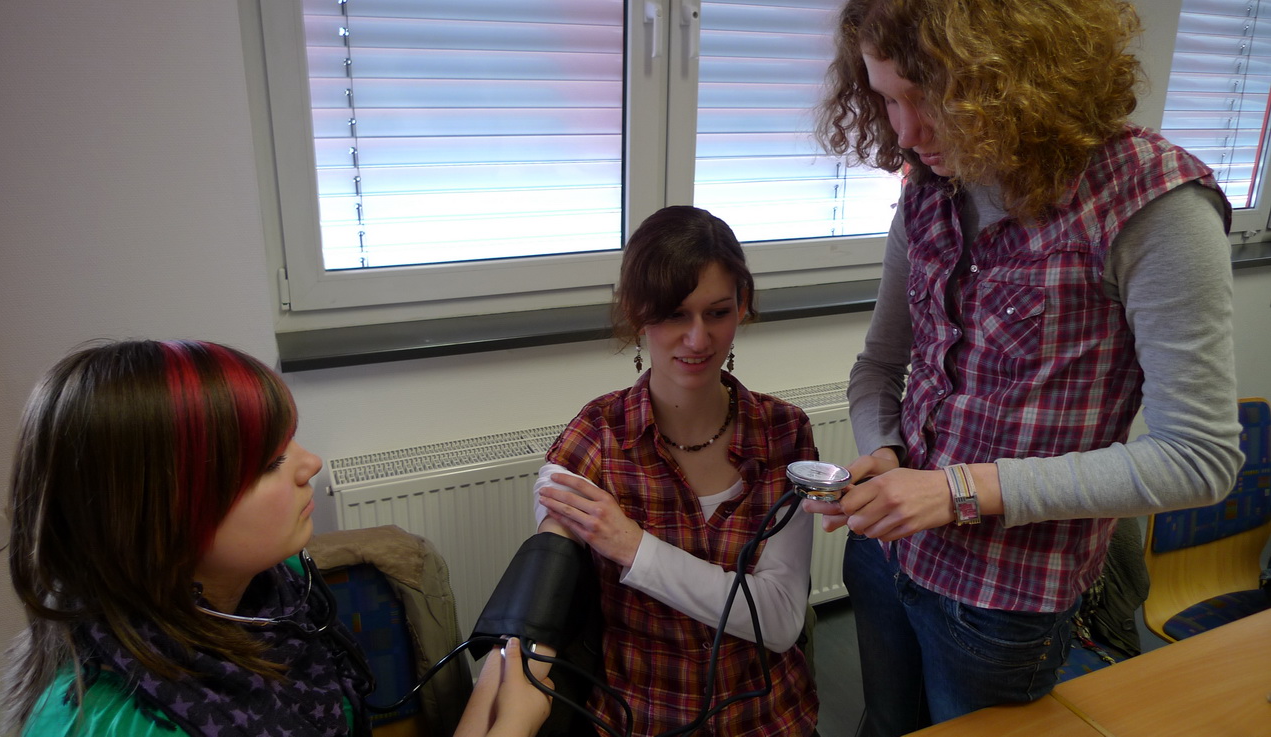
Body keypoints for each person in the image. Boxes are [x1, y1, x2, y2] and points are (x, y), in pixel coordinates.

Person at [805, 1, 1245, 734]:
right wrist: (884, 449)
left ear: (1012, 76)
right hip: (885, 559)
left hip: (1001, 604)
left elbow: (1198, 459)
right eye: (887, 99)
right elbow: (878, 368)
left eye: (929, 98)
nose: (905, 133)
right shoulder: (929, 190)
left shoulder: (1152, 203)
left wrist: (958, 490)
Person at [1, 339, 551, 737]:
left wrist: (491, 697)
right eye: (271, 462)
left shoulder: (277, 584)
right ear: (157, 517)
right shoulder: (110, 722)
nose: (310, 464)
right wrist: (512, 727)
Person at [533, 205, 820, 736]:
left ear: (743, 306)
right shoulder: (600, 433)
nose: (698, 339)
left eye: (717, 312)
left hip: (768, 720)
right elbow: (541, 571)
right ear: (636, 313)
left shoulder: (785, 432)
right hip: (642, 720)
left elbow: (780, 621)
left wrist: (633, 547)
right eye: (673, 315)